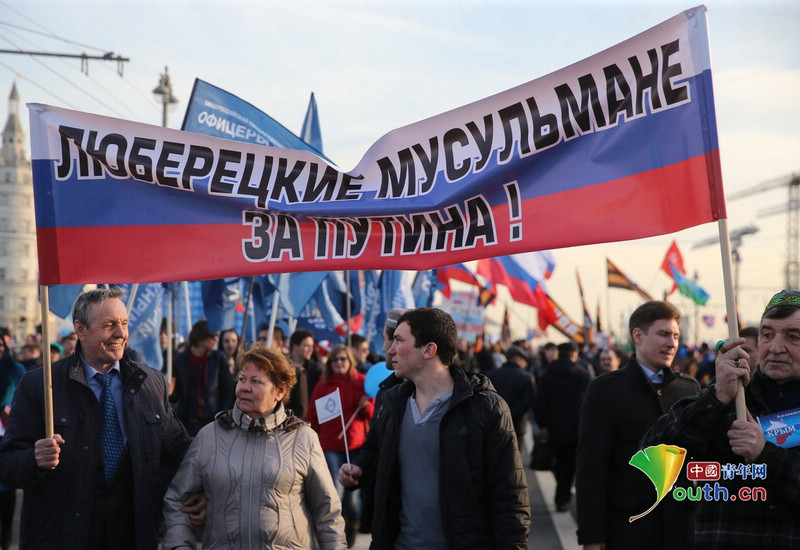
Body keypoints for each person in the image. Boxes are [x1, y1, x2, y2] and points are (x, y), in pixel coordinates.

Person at [0, 287, 194, 550]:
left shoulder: (150, 383)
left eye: (124, 323)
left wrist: (203, 488)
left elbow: (180, 451)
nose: (121, 333)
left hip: (132, 537)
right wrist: (34, 459)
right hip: (62, 537)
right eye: (109, 324)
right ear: (80, 330)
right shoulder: (40, 385)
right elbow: (7, 465)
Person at [339, 307, 530, 549]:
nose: (390, 350)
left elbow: (510, 498)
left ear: (429, 349)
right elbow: (376, 453)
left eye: (399, 340)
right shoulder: (391, 403)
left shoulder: (486, 408)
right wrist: (360, 470)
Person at [642, 289, 800, 549]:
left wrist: (765, 454)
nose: (775, 347)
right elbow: (653, 456)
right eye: (767, 334)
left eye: (793, 336)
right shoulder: (729, 396)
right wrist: (715, 399)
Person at [163, 344, 347, 550]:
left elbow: (327, 512)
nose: (244, 387)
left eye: (256, 381)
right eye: (242, 379)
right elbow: (177, 502)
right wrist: (180, 547)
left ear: (279, 391)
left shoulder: (303, 438)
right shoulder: (209, 436)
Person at [575, 300, 700, 550]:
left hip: (681, 528)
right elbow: (592, 467)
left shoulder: (689, 389)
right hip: (627, 527)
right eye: (663, 334)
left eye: (675, 335)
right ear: (638, 336)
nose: (672, 343)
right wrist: (592, 535)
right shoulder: (605, 390)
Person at [307, 344, 374, 547]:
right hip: (330, 446)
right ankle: (337, 531)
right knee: (335, 493)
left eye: (343, 359)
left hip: (355, 446)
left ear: (350, 361)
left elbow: (375, 416)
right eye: (335, 359)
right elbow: (313, 415)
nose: (339, 363)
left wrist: (367, 406)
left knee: (353, 496)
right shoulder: (324, 384)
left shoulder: (362, 382)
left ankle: (353, 521)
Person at [535, 341, 591, 511]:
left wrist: (542, 424)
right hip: (576, 426)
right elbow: (590, 403)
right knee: (570, 463)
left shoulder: (547, 374)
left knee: (557, 461)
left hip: (553, 427)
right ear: (574, 354)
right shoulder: (583, 374)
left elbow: (540, 401)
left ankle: (561, 493)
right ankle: (563, 497)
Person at [171, 320, 235, 436]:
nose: (216, 339)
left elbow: (228, 389)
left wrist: (222, 414)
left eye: (216, 336)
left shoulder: (218, 359)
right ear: (201, 337)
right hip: (186, 423)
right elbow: (176, 394)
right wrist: (170, 392)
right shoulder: (179, 360)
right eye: (212, 336)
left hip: (212, 422)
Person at [486, 344, 536, 457]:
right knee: (514, 458)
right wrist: (511, 414)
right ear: (518, 359)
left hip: (494, 422)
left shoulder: (491, 374)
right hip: (517, 424)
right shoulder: (526, 377)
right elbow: (528, 401)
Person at [0, 336, 25, 550]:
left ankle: (6, 542)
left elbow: (24, 397)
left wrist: (10, 408)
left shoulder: (15, 370)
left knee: (6, 498)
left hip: (6, 434)